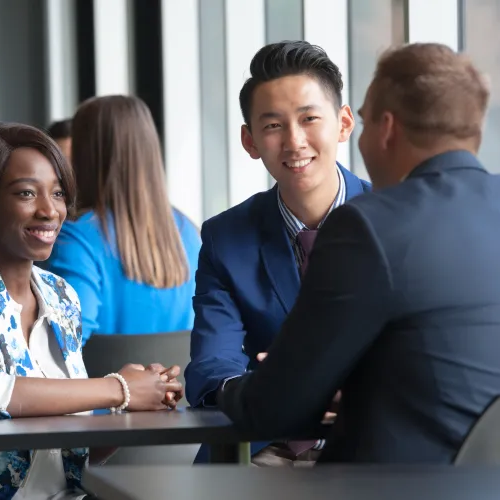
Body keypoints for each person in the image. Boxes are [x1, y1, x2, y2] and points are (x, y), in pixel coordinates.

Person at [218, 43, 500, 464]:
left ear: (386, 129)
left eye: (364, 122)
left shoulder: (370, 224)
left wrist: (241, 387)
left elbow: (271, 407)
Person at [0, 122, 183, 499]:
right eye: (26, 193)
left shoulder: (60, 295)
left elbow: (68, 453)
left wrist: (135, 405)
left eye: (57, 193)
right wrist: (116, 389)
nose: (49, 210)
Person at [184, 41, 370, 463]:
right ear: (250, 141)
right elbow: (211, 368)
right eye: (273, 126)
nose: (294, 141)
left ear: (343, 123)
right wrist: (261, 389)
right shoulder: (226, 237)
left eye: (309, 119)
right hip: (266, 444)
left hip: (370, 445)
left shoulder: (394, 219)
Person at [43, 96, 201, 344]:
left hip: (105, 382)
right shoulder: (189, 232)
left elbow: (65, 344)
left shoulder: (75, 237)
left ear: (85, 154)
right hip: (180, 382)